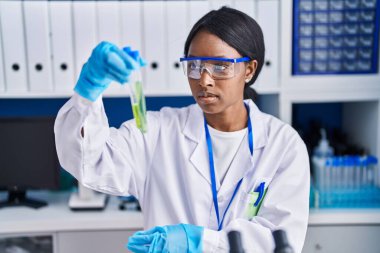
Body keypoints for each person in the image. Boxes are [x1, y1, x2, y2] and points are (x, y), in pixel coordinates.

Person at [54, 6, 310, 253]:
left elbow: (281, 240)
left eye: (220, 66)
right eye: (195, 65)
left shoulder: (283, 145)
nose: (204, 79)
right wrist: (88, 92)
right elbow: (89, 163)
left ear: (249, 70)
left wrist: (200, 242)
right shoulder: (157, 132)